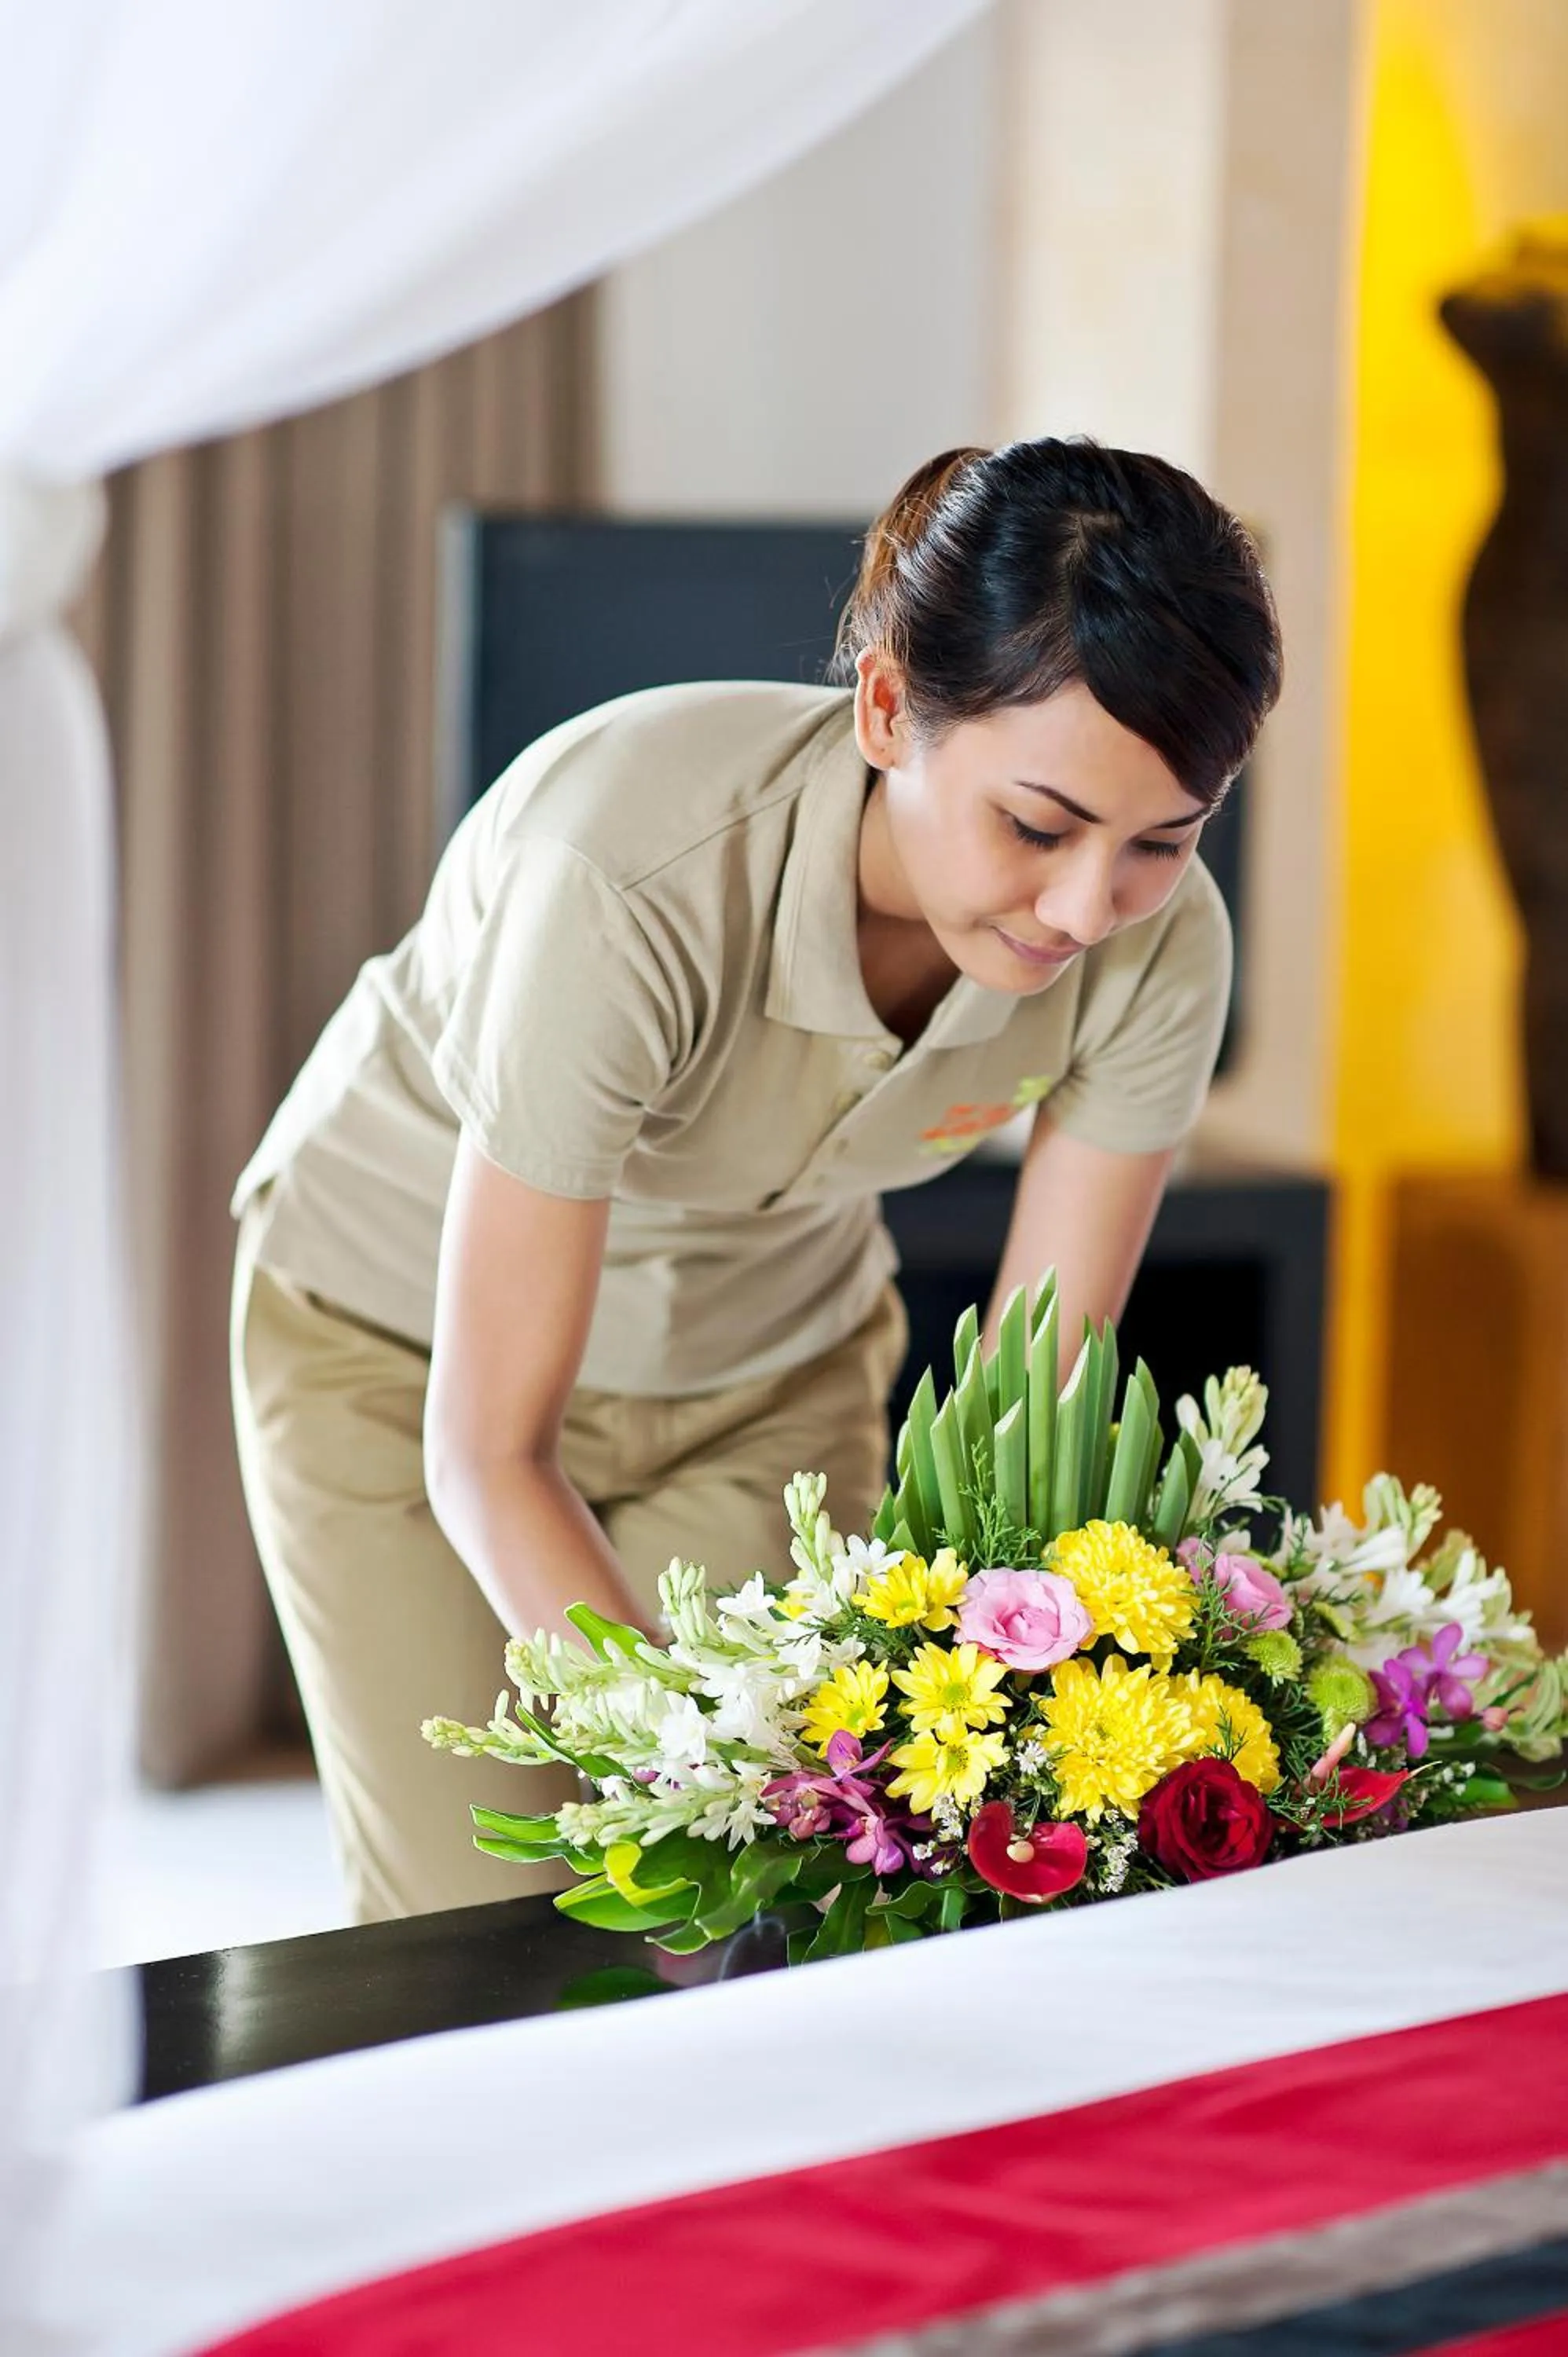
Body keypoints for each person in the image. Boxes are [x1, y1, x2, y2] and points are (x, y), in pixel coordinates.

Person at [230, 437, 1282, 1921]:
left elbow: (1028, 1407)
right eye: (1037, 827)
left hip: (765, 1376)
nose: (1083, 908)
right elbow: (487, 1452)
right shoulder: (620, 877)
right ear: (888, 707)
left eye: (1159, 843)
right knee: (481, 1931)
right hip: (400, 1353)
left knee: (780, 1910)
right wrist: (709, 1771)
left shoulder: (1160, 952)